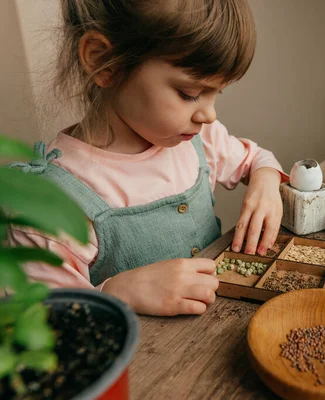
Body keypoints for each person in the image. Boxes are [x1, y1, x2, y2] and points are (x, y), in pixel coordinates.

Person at [9, 0, 285, 316]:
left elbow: (255, 159)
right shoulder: (51, 206)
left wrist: (266, 181)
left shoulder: (197, 139)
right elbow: (41, 322)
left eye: (216, 93)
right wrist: (116, 293)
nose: (209, 114)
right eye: (189, 93)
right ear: (104, 61)